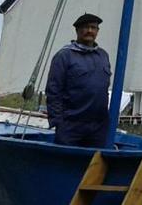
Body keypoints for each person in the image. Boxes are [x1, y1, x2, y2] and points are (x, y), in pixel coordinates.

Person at [46, 13, 112, 147]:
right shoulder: (64, 56)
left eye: (93, 28)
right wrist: (58, 121)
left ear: (97, 31)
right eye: (85, 27)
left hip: (98, 127)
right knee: (66, 164)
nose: (90, 31)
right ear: (77, 30)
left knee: (95, 165)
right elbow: (54, 91)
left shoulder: (103, 56)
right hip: (71, 126)